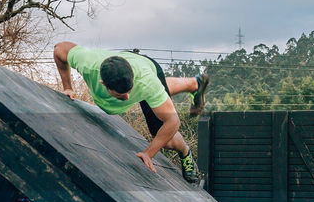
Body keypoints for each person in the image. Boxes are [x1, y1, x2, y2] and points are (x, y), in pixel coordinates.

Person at [53, 42, 209, 183]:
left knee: (164, 137)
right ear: (103, 84)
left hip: (146, 71)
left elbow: (173, 122)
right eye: (121, 96)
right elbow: (59, 49)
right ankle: (194, 83)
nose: (127, 97)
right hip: (127, 69)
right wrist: (68, 87)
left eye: (129, 91)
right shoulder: (88, 63)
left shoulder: (147, 82)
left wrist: (149, 153)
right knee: (156, 93)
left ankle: (185, 152)